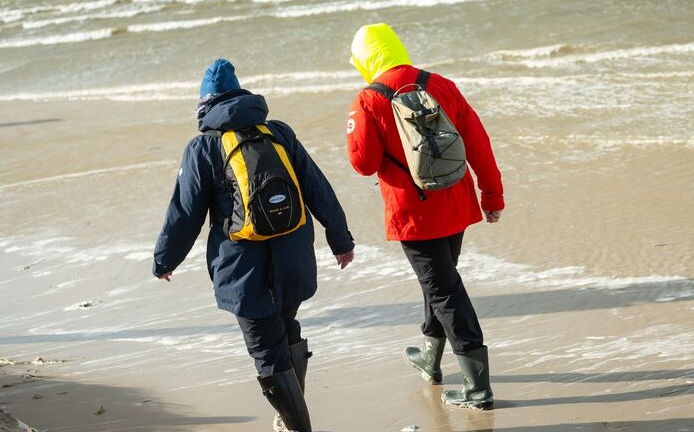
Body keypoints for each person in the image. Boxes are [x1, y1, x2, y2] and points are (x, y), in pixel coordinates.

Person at [153, 59, 355, 432]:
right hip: (294, 258)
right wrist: (340, 238)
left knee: (266, 351)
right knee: (286, 326)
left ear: (204, 105)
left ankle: (297, 426)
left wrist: (165, 259)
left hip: (244, 269)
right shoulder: (278, 132)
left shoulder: (203, 148)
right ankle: (290, 416)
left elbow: (184, 212)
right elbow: (317, 187)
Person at [345, 23, 504, 409]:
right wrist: (492, 193)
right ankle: (431, 360)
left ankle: (478, 388)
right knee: (439, 282)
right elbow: (477, 139)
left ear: (365, 59)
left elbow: (363, 164)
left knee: (444, 290)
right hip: (457, 201)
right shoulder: (441, 84)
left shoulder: (367, 100)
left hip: (414, 214)